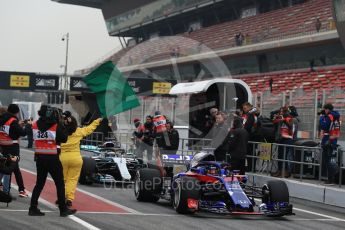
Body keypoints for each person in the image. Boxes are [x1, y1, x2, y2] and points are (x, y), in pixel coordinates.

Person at [29, 105, 76, 217]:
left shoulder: (35, 124)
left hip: (40, 157)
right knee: (59, 183)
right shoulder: (55, 125)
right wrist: (63, 125)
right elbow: (64, 139)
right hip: (52, 158)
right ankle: (63, 210)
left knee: (39, 184)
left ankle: (33, 208)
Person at [60, 112, 101, 207]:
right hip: (76, 158)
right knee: (72, 180)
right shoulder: (78, 131)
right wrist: (97, 121)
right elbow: (89, 129)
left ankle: (62, 197)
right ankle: (69, 198)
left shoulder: (60, 131)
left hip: (63, 158)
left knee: (62, 180)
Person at [0, 104, 28, 198]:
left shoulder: (2, 119)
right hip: (12, 147)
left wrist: (18, 125)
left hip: (2, 146)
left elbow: (8, 129)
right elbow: (22, 133)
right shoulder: (13, 120)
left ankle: (20, 189)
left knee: (4, 167)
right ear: (16, 112)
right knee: (9, 169)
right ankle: (6, 192)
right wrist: (26, 126)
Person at [319, 103, 340, 184]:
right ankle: (331, 178)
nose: (324, 111)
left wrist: (321, 117)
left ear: (327, 109)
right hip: (333, 140)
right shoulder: (336, 117)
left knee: (328, 161)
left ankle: (331, 179)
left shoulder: (330, 116)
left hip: (328, 140)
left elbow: (324, 126)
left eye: (325, 109)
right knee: (330, 160)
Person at [272, 106, 294, 178]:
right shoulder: (280, 118)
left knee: (285, 156)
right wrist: (275, 119)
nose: (281, 113)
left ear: (286, 112)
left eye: (282, 112)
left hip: (288, 139)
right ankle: (280, 171)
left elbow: (290, 126)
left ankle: (287, 171)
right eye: (280, 111)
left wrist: (284, 120)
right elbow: (274, 125)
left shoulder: (290, 118)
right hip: (281, 138)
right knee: (280, 155)